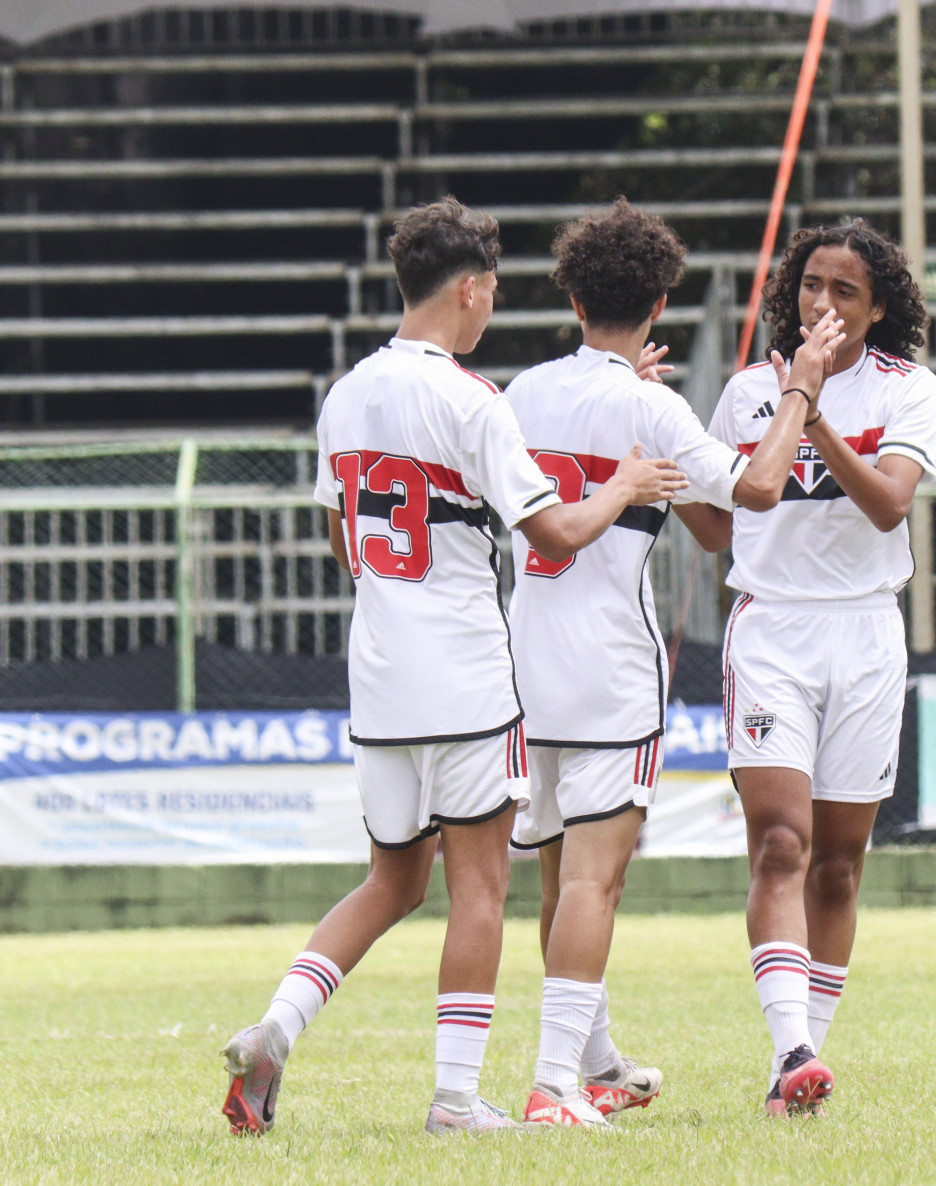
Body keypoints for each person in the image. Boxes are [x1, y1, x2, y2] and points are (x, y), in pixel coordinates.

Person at [219, 197, 688, 1137]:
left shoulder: (346, 392)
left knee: (391, 880)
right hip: (469, 673)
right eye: (491, 294)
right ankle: (454, 1099)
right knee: (479, 887)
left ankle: (278, 1024)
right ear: (470, 289)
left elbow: (342, 537)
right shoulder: (469, 399)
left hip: (380, 672)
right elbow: (553, 528)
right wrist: (626, 485)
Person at [504, 199, 844, 1129]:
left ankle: (592, 1061)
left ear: (572, 296)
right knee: (591, 881)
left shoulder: (522, 391)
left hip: (521, 668)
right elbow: (757, 490)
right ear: (660, 300)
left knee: (551, 877)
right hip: (610, 672)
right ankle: (552, 1086)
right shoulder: (649, 406)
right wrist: (800, 391)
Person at [679, 219, 936, 1117]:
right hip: (770, 631)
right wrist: (672, 468)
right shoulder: (751, 390)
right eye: (809, 286)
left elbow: (886, 507)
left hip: (865, 633)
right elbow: (720, 526)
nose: (821, 305)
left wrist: (816, 408)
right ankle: (789, 1044)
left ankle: (801, 1067)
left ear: (877, 310)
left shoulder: (910, 390)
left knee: (837, 863)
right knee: (781, 842)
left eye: (844, 292)